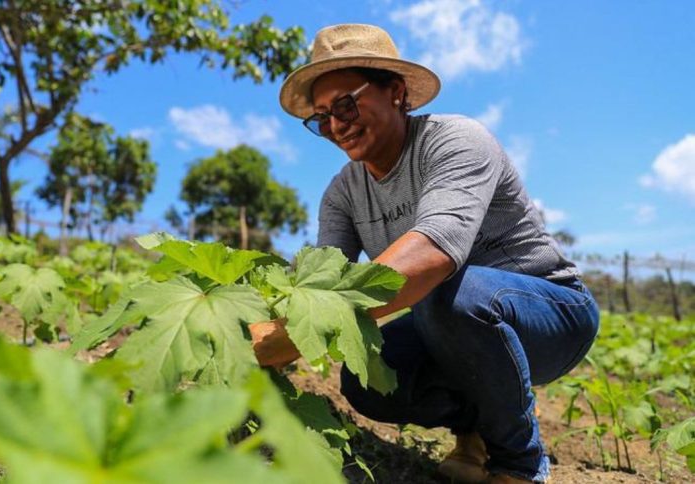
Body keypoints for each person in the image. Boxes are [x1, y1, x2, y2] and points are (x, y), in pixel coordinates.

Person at [250, 24, 600, 483]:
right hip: (450, 321)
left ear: (396, 93)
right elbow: (320, 280)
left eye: (345, 104)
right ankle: (473, 431)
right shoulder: (342, 193)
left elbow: (434, 252)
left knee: (447, 293)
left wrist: (297, 334)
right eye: (321, 118)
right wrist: (265, 318)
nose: (336, 125)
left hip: (552, 317)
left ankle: (519, 463)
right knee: (370, 380)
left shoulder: (455, 140)